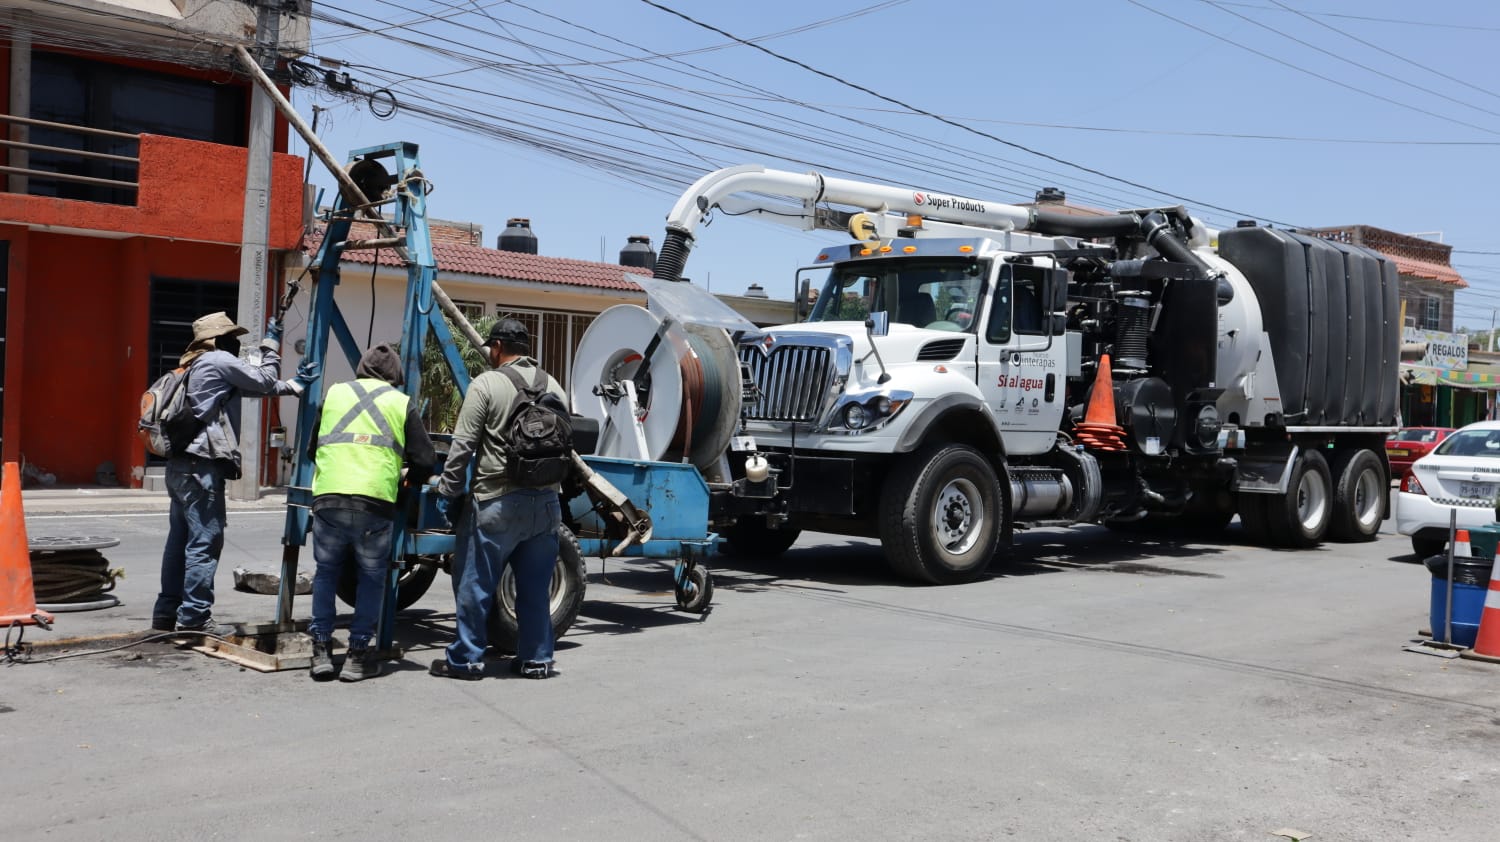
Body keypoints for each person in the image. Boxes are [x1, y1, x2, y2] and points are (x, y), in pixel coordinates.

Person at [153, 312, 317, 638]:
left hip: (181, 467)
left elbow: (251, 388)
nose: (237, 343)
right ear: (216, 340)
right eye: (232, 336)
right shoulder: (218, 359)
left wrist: (293, 386)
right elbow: (263, 380)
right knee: (204, 544)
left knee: (179, 542)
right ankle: (194, 619)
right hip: (202, 468)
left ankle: (166, 614)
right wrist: (270, 346)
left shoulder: (196, 365)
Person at [430, 318, 567, 681]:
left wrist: (447, 493)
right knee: (535, 589)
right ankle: (537, 660)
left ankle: (466, 660)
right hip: (547, 505)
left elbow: (462, 447)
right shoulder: (554, 385)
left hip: (497, 502)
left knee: (474, 585)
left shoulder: (487, 383)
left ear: (497, 347)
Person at [305, 344, 436, 682]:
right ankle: (357, 656)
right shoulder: (400, 402)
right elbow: (425, 460)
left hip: (329, 498)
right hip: (374, 503)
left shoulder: (334, 395)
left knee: (326, 573)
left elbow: (312, 450)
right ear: (395, 376)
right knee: (372, 577)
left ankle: (321, 651)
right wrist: (407, 479)